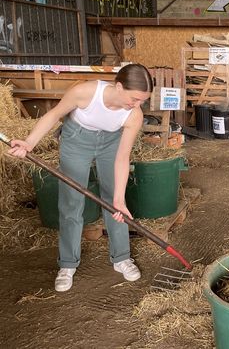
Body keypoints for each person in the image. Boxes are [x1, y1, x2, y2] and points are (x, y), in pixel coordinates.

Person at [8, 63, 153, 292]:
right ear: (118, 86)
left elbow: (122, 158)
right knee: (71, 200)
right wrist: (29, 143)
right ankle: (67, 264)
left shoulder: (133, 115)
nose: (137, 105)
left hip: (110, 143)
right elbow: (54, 115)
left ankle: (121, 257)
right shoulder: (85, 92)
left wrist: (118, 199)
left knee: (114, 202)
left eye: (142, 101)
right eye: (135, 98)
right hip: (76, 140)